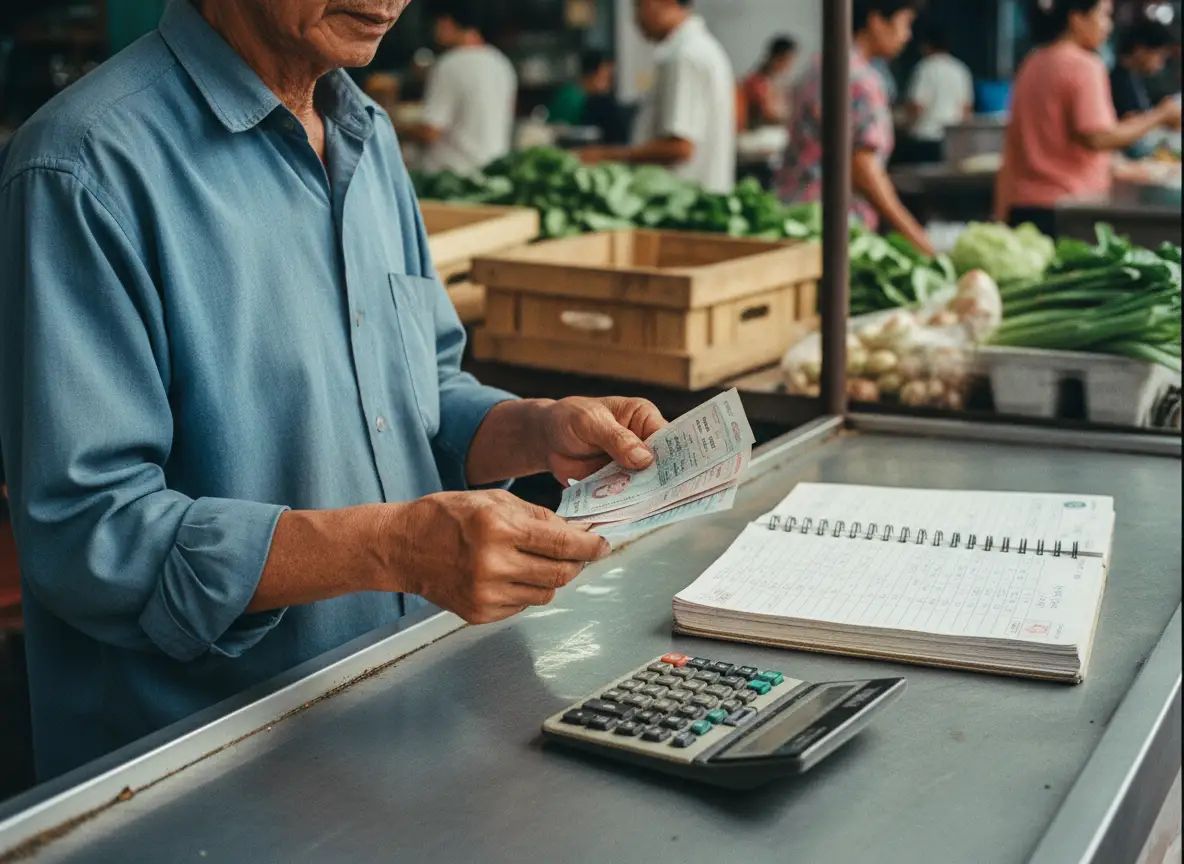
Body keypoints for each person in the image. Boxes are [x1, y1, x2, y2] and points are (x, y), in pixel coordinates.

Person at [0, 0, 667, 781]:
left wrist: (538, 427)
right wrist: (396, 548)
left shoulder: (366, 135)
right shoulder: (83, 166)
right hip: (204, 773)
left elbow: (422, 392)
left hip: (404, 719)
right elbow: (89, 533)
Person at [994, 0, 1182, 233]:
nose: (1108, 26)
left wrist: (1000, 214)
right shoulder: (1084, 65)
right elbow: (1097, 137)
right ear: (1077, 19)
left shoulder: (1033, 62)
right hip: (1068, 210)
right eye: (1103, 15)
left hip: (1022, 206)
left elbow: (1016, 147)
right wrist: (1161, 115)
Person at [779, 0, 933, 255]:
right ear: (876, 22)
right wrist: (916, 237)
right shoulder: (861, 80)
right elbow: (863, 170)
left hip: (796, 221)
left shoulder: (819, 65)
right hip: (835, 231)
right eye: (905, 22)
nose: (907, 35)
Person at [580, 0, 736, 194]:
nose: (635, 19)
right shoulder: (701, 49)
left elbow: (680, 148)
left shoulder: (684, 56)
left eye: (638, 6)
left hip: (685, 203)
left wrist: (604, 156)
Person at [402, 0, 517, 174]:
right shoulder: (500, 62)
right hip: (491, 172)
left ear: (447, 23)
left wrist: (392, 128)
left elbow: (430, 131)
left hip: (452, 177)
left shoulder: (451, 63)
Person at [902, 24, 973, 164]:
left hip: (925, 139)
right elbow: (966, 109)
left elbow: (917, 106)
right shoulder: (960, 69)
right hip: (952, 140)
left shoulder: (925, 68)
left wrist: (906, 123)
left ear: (927, 45)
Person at [1110, 19, 1176, 157]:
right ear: (1140, 50)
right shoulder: (1119, 80)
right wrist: (1162, 114)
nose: (1161, 64)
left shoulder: (1135, 78)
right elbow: (1129, 125)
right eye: (1160, 56)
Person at [548, 50, 632, 145]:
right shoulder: (574, 99)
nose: (609, 85)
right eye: (606, 77)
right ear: (592, 75)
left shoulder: (572, 93)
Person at [741, 35, 797, 129]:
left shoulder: (782, 81)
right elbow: (768, 114)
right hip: (760, 133)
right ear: (777, 58)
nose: (790, 65)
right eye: (788, 60)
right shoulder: (757, 81)